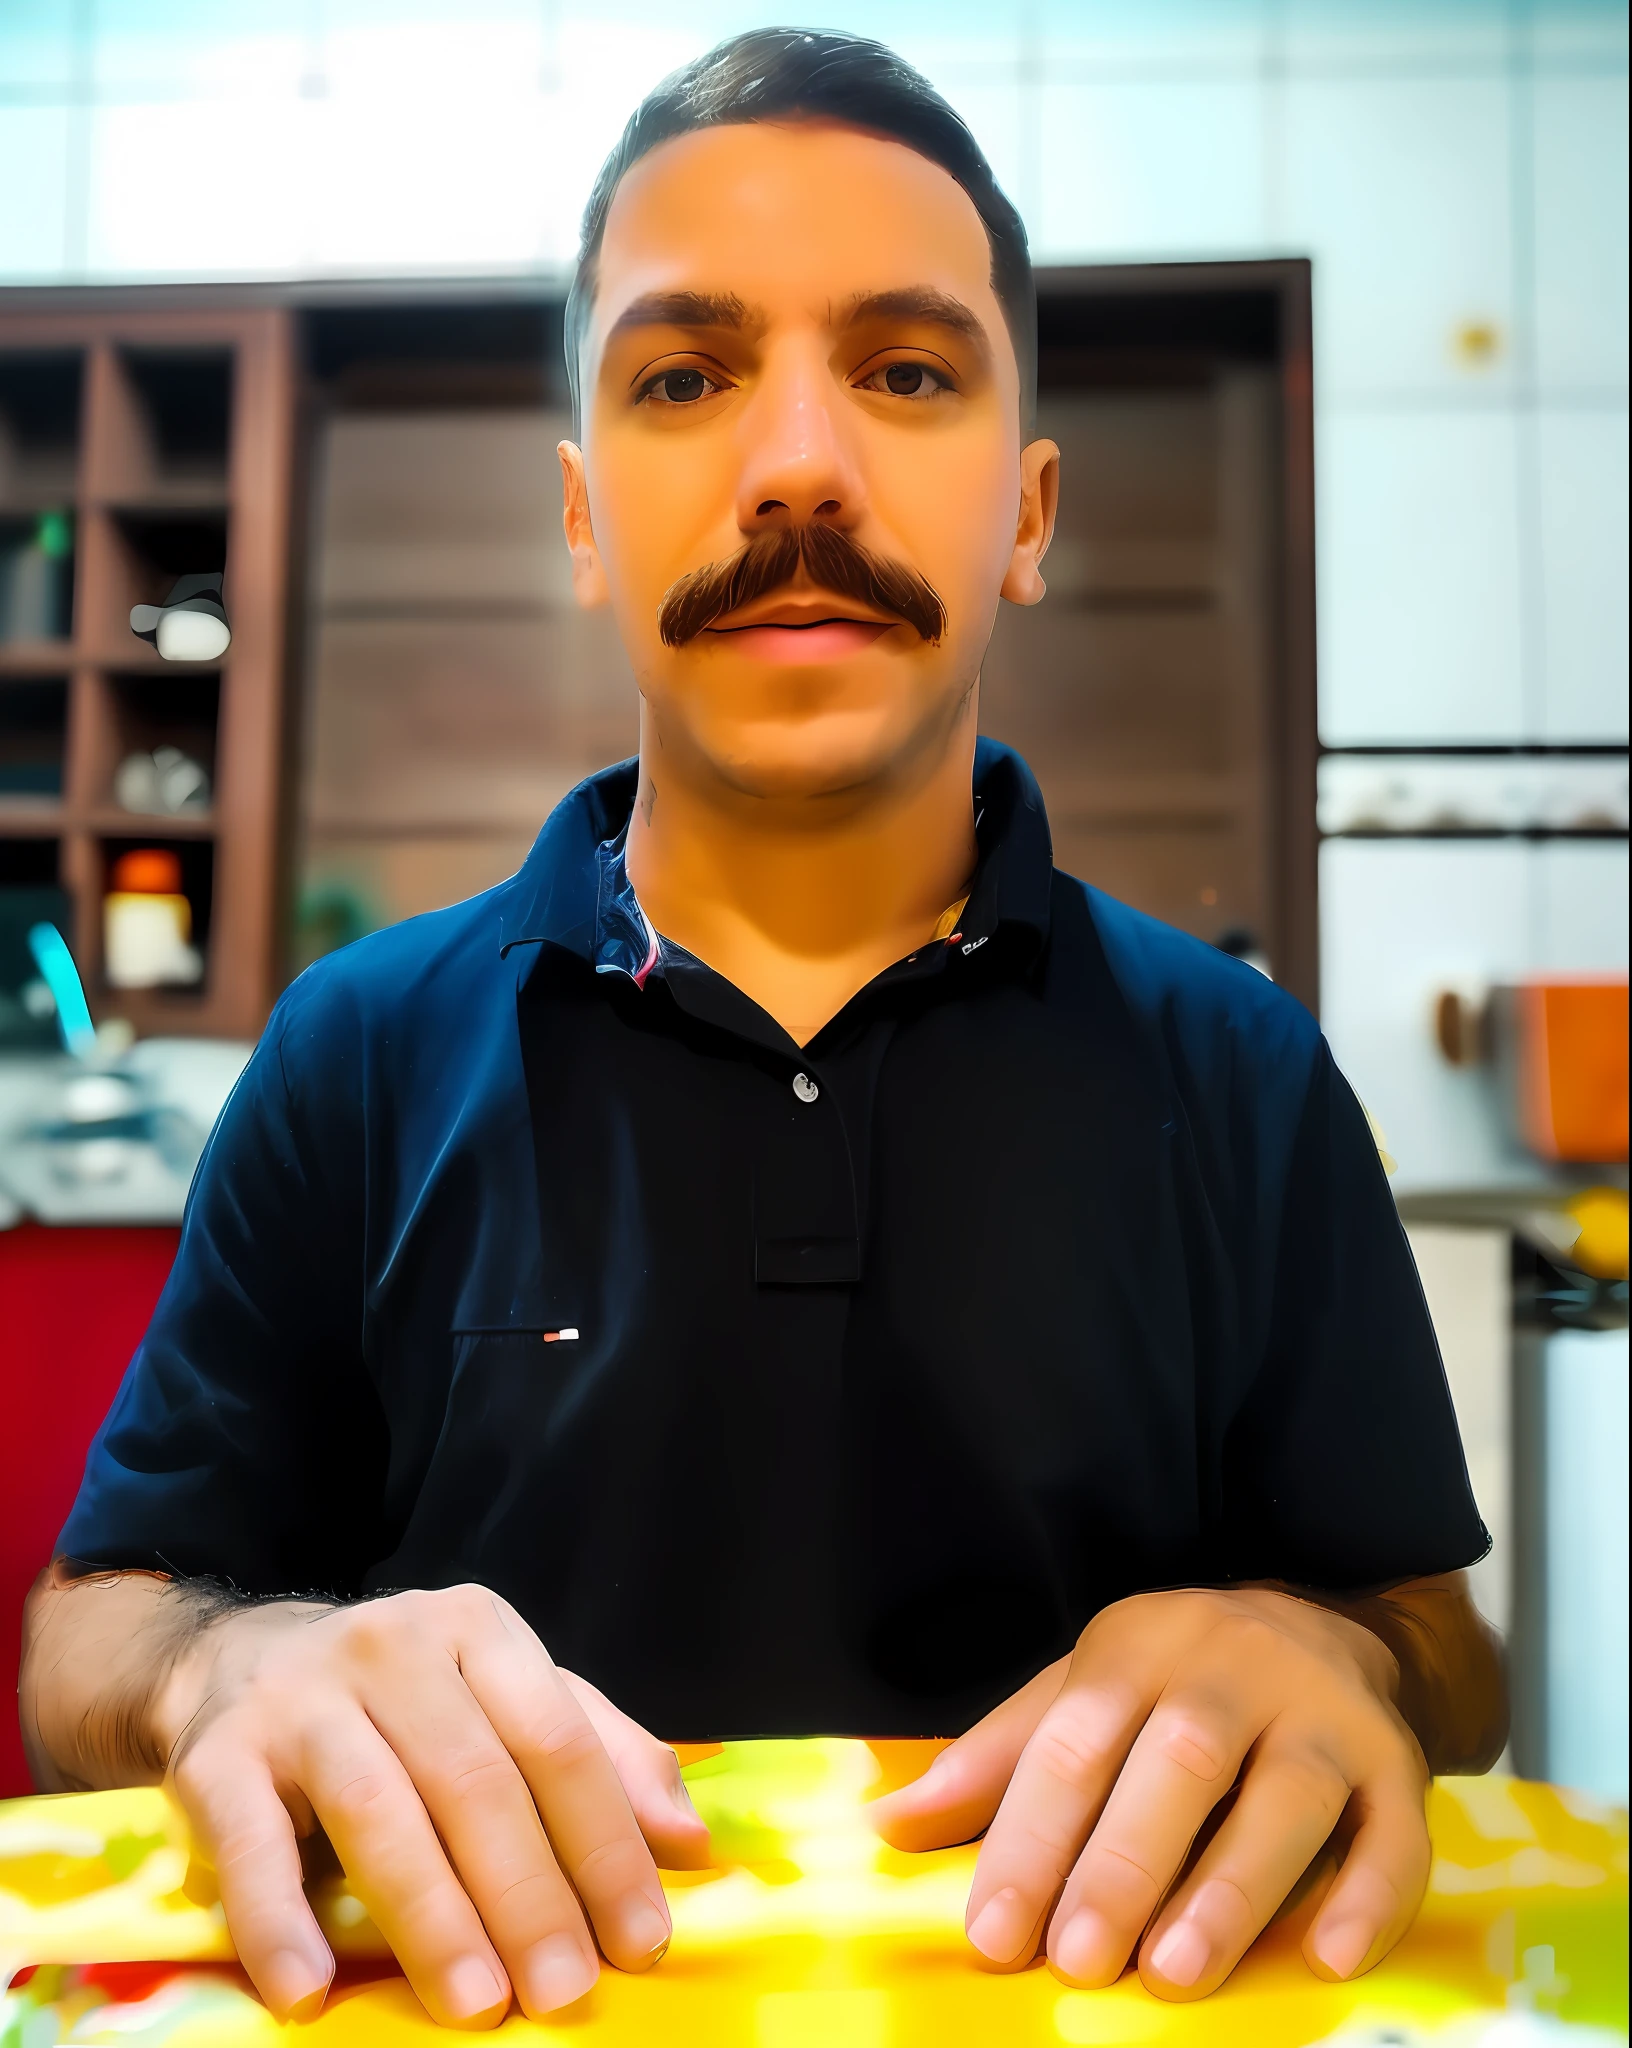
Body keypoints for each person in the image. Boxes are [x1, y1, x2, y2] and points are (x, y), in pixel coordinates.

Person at [20, 27, 1505, 2033]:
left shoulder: (1242, 1067)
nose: (798, 463)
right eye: (684, 376)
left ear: (1031, 509)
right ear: (577, 514)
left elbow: (1448, 1649)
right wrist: (226, 1667)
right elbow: (87, 1636)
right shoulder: (353, 1049)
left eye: (905, 370)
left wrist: (1344, 1660)